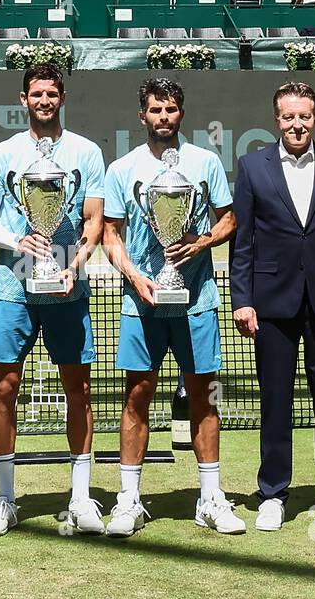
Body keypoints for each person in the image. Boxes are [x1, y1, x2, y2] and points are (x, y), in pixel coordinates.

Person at [100, 78, 242, 537]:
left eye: (172, 109)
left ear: (182, 113)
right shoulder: (122, 168)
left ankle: (211, 498)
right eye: (156, 109)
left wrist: (201, 242)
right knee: (137, 394)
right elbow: (111, 234)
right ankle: (129, 501)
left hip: (196, 298)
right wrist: (135, 277)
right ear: (142, 116)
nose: (164, 116)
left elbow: (229, 219)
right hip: (142, 301)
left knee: (204, 394)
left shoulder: (206, 162)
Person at [0, 65, 107, 536]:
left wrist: (77, 262)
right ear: (23, 99)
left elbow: (93, 219)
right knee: (5, 387)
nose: (44, 100)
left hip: (68, 282)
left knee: (79, 389)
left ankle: (82, 498)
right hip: (14, 284)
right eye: (36, 94)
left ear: (62, 98)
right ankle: (6, 500)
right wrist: (17, 240)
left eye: (51, 93)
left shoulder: (86, 152)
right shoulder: (2, 153)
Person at [230, 80, 315, 532]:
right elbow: (243, 242)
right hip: (271, 305)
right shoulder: (251, 166)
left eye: (304, 116)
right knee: (275, 401)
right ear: (276, 120)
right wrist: (243, 301)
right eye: (288, 116)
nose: (297, 124)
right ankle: (272, 493)